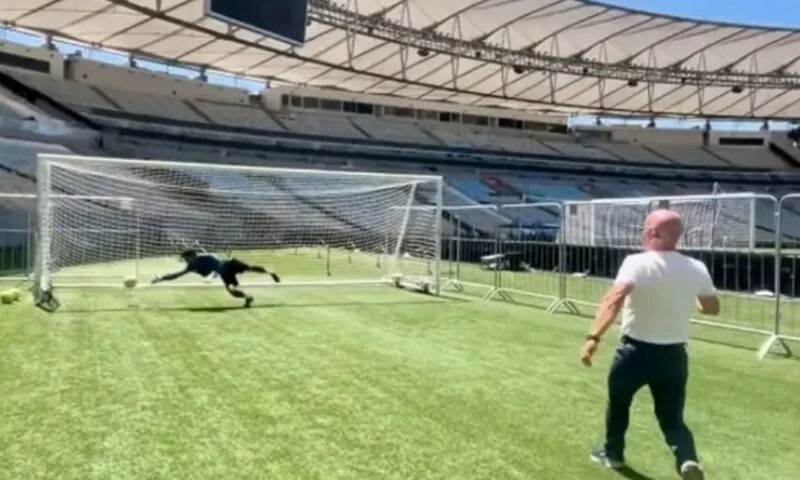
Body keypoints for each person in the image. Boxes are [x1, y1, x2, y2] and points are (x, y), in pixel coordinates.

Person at [580, 209, 719, 480]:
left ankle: (614, 455)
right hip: (674, 355)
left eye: (644, 228)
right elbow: (711, 308)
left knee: (619, 404)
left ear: (652, 233)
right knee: (672, 418)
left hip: (634, 352)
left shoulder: (635, 262)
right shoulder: (696, 267)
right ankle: (687, 459)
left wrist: (593, 338)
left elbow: (613, 300)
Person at [152, 249, 281, 307]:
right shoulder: (191, 267)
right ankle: (248, 297)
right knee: (232, 291)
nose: (185, 261)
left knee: (250, 268)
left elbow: (218, 263)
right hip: (225, 273)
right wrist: (161, 278)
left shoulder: (206, 256)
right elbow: (177, 275)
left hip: (230, 264)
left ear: (192, 256)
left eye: (186, 258)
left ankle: (270, 272)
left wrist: (213, 275)